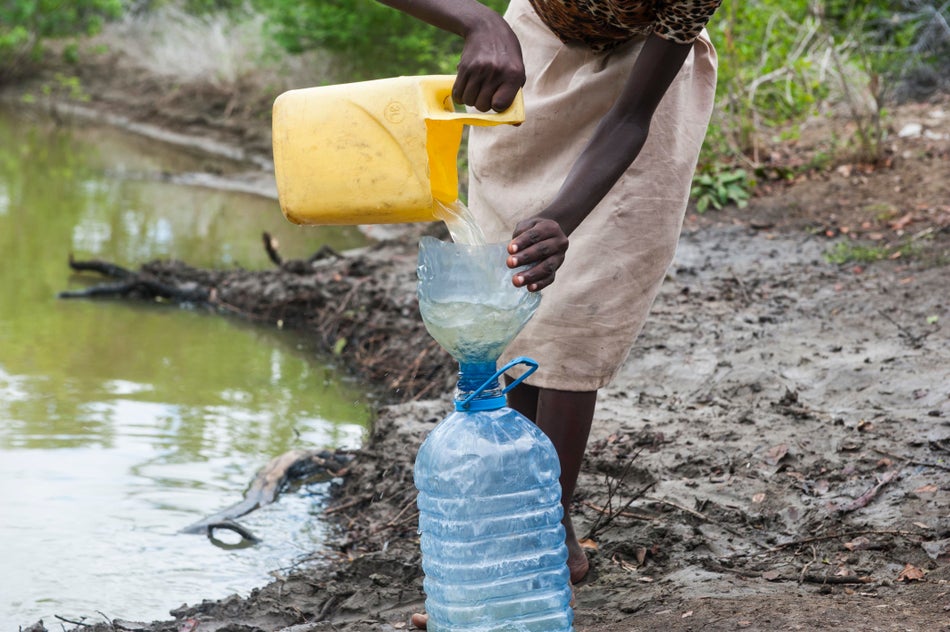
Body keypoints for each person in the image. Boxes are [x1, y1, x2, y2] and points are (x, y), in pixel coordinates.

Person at [377, 0, 722, 627]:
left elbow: (630, 116)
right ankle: (513, 529)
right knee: (507, 302)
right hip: (530, 54)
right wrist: (478, 22)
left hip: (642, 85)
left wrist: (562, 220)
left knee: (573, 317)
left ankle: (537, 547)